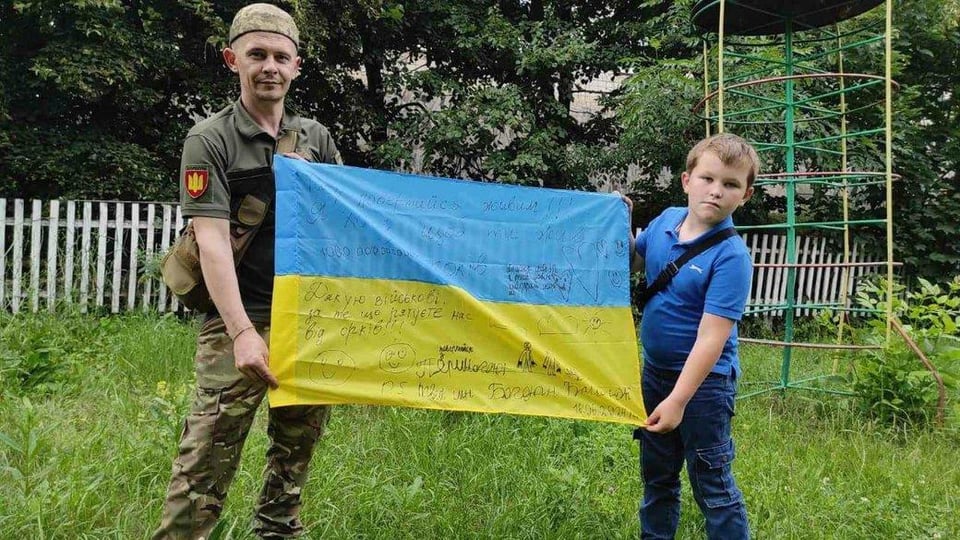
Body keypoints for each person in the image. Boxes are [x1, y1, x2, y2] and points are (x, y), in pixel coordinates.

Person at [153, 4, 341, 538]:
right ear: (232, 59)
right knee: (205, 460)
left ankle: (277, 530)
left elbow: (345, 228)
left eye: (281, 57)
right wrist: (240, 333)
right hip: (239, 321)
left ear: (297, 65)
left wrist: (317, 184)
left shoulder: (315, 139)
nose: (269, 67)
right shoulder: (209, 139)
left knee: (295, 453)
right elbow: (211, 243)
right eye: (256, 55)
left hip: (304, 322)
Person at [627, 133, 757, 539]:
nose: (716, 191)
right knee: (658, 477)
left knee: (712, 485)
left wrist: (679, 401)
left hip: (705, 388)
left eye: (731, 184)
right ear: (687, 180)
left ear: (745, 195)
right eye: (707, 178)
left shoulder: (731, 257)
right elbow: (635, 260)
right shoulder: (666, 220)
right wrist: (619, 225)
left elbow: (710, 340)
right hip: (655, 373)